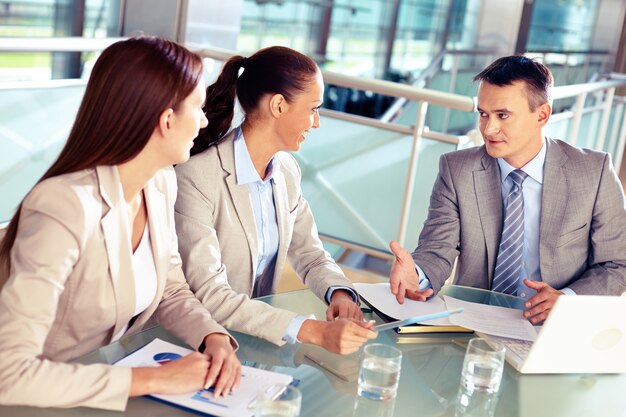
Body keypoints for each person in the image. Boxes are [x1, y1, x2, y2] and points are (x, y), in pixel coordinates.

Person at [0, 37, 241, 410]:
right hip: (34, 398)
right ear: (166, 119)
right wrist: (158, 378)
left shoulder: (160, 183)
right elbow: (10, 375)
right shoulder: (63, 206)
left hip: (100, 388)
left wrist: (213, 337)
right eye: (198, 107)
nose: (206, 120)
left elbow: (171, 288)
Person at [389, 55, 626, 324]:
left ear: (542, 115)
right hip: (473, 322)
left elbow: (617, 264)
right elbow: (437, 249)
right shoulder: (456, 170)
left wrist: (567, 300)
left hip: (556, 327)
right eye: (483, 114)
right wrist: (418, 274)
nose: (489, 128)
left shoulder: (593, 172)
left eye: (503, 115)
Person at [174, 46, 376, 354]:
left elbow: (310, 254)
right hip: (202, 342)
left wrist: (340, 294)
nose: (317, 122)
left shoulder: (286, 172)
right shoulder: (197, 177)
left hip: (256, 338)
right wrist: (309, 330)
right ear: (279, 105)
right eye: (313, 108)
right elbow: (211, 295)